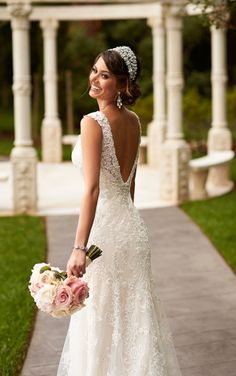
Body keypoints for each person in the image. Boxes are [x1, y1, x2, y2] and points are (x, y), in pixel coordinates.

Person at [57, 46, 181, 376]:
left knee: (102, 317)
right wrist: (126, 222)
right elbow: (130, 186)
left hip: (106, 233)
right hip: (131, 228)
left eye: (105, 75)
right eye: (95, 70)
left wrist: (79, 248)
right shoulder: (134, 121)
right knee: (135, 317)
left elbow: (93, 188)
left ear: (122, 84)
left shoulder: (92, 122)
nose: (95, 79)